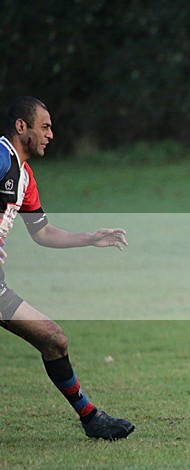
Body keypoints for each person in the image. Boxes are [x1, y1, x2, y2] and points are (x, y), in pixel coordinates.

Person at [0, 96, 134, 440]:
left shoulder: (24, 176)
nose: (51, 134)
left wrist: (91, 238)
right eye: (44, 127)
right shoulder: (0, 157)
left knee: (54, 339)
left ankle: (92, 419)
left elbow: (42, 232)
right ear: (21, 127)